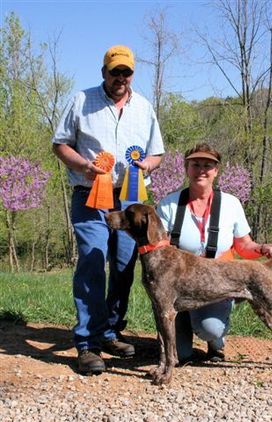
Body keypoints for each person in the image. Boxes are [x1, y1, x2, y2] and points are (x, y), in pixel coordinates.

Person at [52, 45, 164, 374]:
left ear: (132, 75)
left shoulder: (144, 108)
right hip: (90, 196)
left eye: (126, 72)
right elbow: (59, 143)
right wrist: (83, 165)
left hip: (129, 203)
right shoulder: (80, 101)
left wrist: (146, 165)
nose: (120, 78)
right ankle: (87, 343)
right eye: (114, 71)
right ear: (104, 72)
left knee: (124, 267)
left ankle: (111, 332)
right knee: (91, 260)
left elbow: (157, 153)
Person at [156, 143, 272, 363]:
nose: (201, 169)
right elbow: (158, 249)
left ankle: (215, 341)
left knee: (209, 329)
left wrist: (262, 249)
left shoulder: (231, 204)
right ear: (186, 168)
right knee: (180, 355)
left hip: (217, 283)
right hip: (179, 288)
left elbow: (243, 245)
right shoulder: (168, 204)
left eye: (208, 165)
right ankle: (183, 333)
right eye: (195, 164)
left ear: (216, 171)